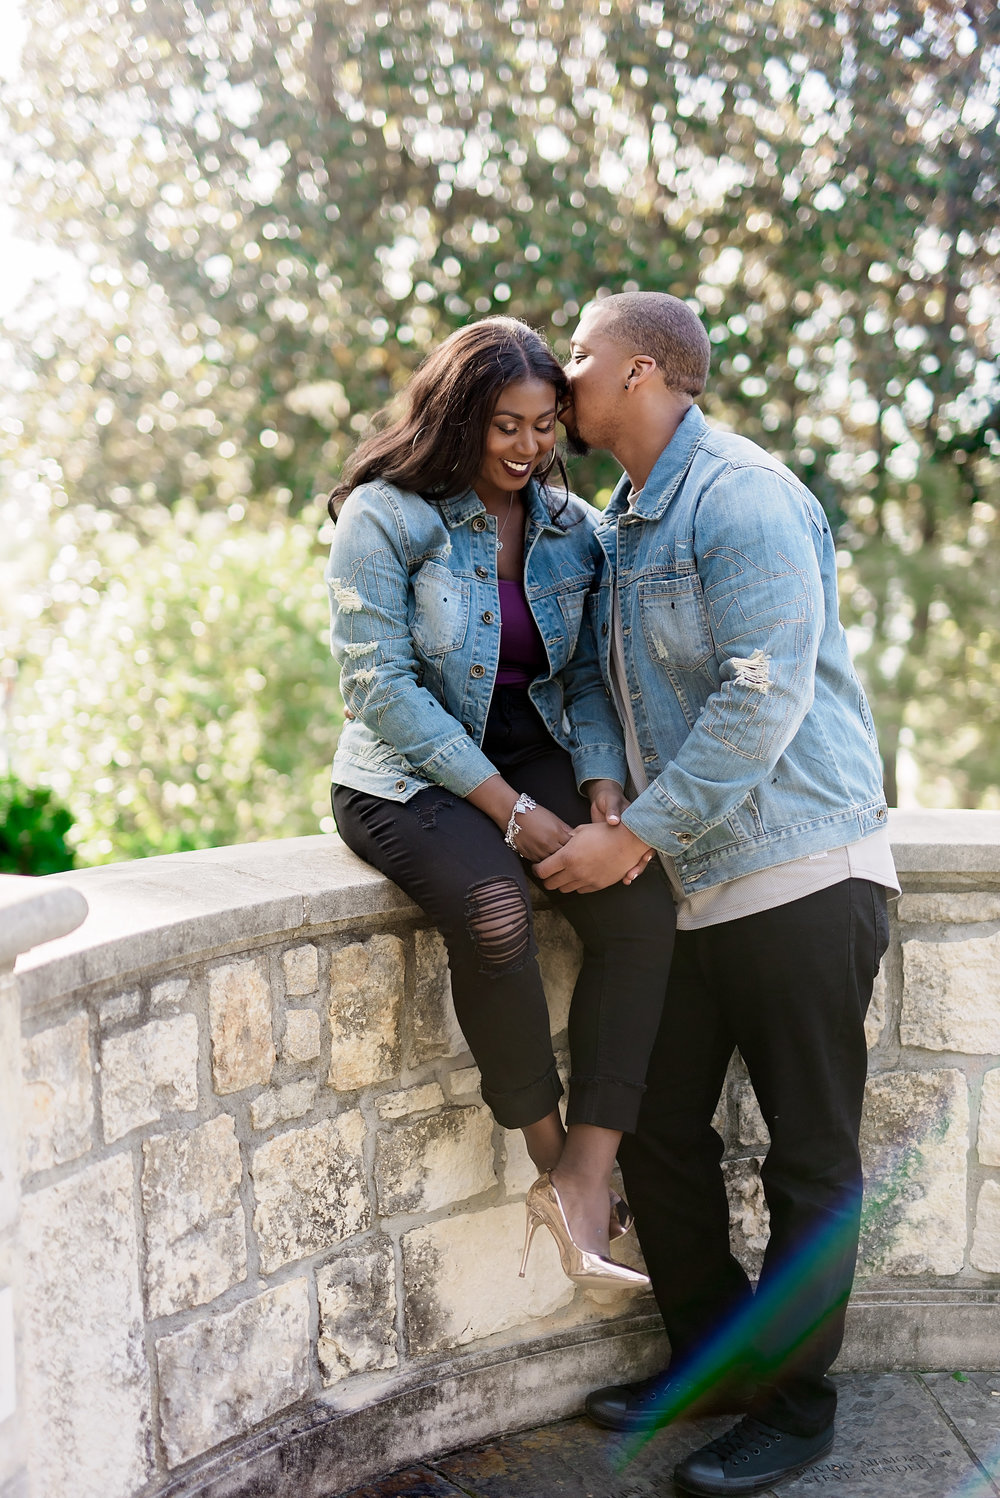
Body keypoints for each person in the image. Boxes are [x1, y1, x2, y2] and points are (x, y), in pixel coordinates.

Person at [536, 292, 897, 1495]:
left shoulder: (740, 495)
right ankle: (715, 1359)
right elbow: (592, 678)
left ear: (640, 373)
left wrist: (632, 834)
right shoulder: (620, 521)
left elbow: (762, 696)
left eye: (577, 356)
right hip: (691, 882)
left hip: (799, 866)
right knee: (653, 1124)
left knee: (807, 1154)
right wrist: (600, 778)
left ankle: (796, 1408)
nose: (561, 370)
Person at [324, 316, 674, 1290]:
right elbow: (381, 692)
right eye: (504, 426)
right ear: (459, 416)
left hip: (533, 747)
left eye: (544, 424)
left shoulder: (573, 528)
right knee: (492, 911)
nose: (527, 448)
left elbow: (592, 681)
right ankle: (549, 1163)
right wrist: (513, 815)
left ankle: (588, 1175)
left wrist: (600, 781)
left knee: (642, 908)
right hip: (406, 771)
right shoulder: (387, 517)